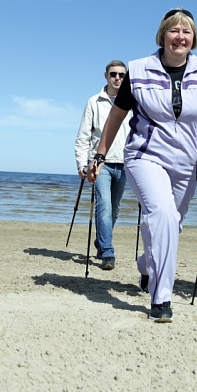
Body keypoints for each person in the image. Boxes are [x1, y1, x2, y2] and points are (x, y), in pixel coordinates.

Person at [88, 8, 197, 323]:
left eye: (187, 32)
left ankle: (146, 265)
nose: (180, 37)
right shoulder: (138, 70)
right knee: (162, 215)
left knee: (171, 226)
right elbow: (116, 115)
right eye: (174, 30)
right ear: (162, 35)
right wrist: (100, 154)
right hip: (145, 155)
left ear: (194, 39)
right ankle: (160, 298)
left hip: (186, 162)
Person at [74, 60, 131, 270]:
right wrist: (82, 163)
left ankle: (101, 240)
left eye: (122, 75)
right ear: (106, 76)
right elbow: (83, 136)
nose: (117, 78)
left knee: (114, 209)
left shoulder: (133, 102)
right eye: (113, 74)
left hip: (125, 164)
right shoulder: (93, 102)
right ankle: (108, 252)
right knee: (104, 206)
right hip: (101, 164)